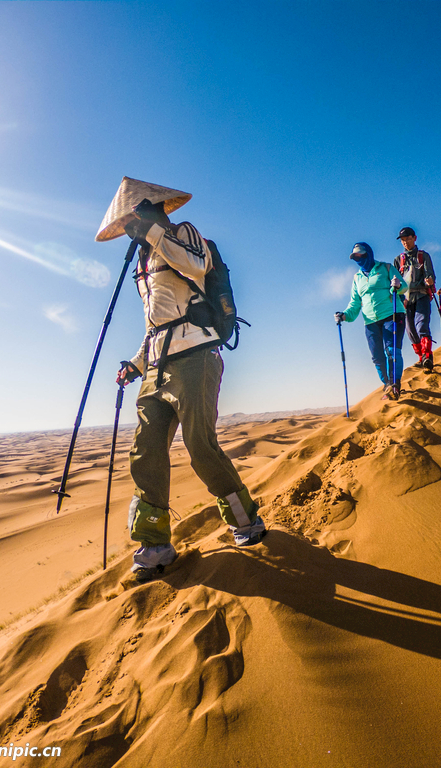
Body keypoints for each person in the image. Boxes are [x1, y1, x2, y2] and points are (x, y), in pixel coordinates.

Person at [104, 184, 265, 582]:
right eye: (126, 222)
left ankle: (247, 524)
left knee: (200, 447)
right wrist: (136, 365)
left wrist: (154, 234)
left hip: (196, 356)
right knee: (145, 452)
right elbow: (156, 324)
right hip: (157, 365)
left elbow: (196, 267)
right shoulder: (143, 263)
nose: (128, 227)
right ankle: (154, 546)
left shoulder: (184, 234)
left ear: (147, 209)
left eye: (131, 218)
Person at [336, 242, 407, 400]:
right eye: (356, 256)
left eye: (361, 254)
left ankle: (395, 385)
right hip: (370, 322)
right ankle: (387, 384)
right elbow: (354, 305)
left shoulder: (385, 268)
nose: (359, 258)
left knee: (392, 351)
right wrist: (344, 315)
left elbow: (403, 287)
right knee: (377, 356)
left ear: (369, 253)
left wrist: (396, 285)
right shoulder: (357, 278)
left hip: (392, 314)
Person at [396, 227, 436, 371]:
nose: (405, 242)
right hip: (405, 300)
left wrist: (429, 280)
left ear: (415, 238)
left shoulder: (423, 256)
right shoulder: (398, 260)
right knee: (410, 330)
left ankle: (427, 356)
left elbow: (430, 273)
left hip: (422, 295)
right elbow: (395, 281)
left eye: (408, 239)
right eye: (403, 240)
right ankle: (421, 357)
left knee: (421, 325)